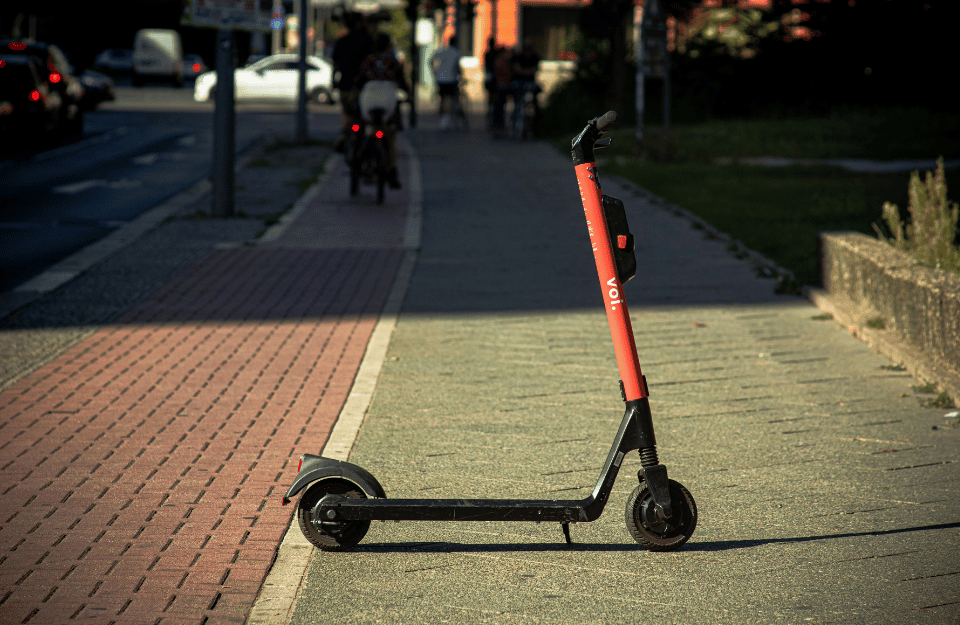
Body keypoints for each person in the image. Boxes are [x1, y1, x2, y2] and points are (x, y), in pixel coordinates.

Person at [356, 32, 408, 189]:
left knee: (362, 125)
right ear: (388, 46)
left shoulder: (368, 61)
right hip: (388, 99)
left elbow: (359, 80)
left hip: (368, 98)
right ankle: (391, 169)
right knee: (391, 136)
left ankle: (361, 154)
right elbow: (403, 83)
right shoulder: (393, 62)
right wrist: (408, 96)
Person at [331, 13, 373, 150]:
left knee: (347, 112)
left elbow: (335, 65)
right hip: (365, 86)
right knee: (366, 113)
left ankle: (344, 135)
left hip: (345, 84)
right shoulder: (368, 40)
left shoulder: (341, 42)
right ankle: (369, 139)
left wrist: (334, 82)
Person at [430, 36, 462, 130]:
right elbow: (457, 67)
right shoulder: (456, 52)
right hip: (451, 79)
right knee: (449, 100)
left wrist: (435, 72)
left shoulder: (442, 50)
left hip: (440, 79)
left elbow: (431, 61)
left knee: (443, 99)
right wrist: (460, 76)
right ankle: (446, 121)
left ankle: (444, 119)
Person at [510, 39, 541, 135]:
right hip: (519, 84)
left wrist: (524, 71)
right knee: (518, 105)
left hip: (530, 85)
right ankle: (515, 125)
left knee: (534, 105)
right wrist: (527, 71)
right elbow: (517, 70)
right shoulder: (519, 57)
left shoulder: (535, 57)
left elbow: (535, 69)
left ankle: (534, 128)